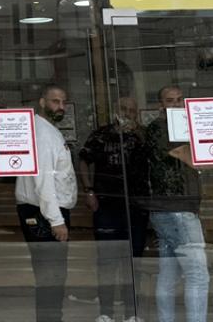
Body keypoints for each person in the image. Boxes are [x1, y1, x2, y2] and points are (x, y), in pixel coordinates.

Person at [142, 86, 213, 322]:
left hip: (170, 209)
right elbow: (193, 159)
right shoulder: (161, 128)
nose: (176, 104)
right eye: (170, 101)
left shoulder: (178, 129)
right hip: (176, 209)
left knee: (169, 275)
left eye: (179, 99)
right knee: (197, 275)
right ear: (160, 105)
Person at [78, 95, 150, 322]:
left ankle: (131, 313)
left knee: (134, 260)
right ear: (115, 110)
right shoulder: (101, 135)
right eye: (123, 109)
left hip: (137, 206)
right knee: (107, 260)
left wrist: (138, 134)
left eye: (131, 110)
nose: (127, 113)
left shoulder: (144, 135)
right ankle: (106, 312)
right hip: (107, 205)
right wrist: (89, 190)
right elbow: (83, 160)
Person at [15, 84, 78, 322]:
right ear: (42, 102)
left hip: (46, 210)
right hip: (44, 212)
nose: (61, 107)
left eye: (63, 102)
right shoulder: (42, 133)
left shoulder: (48, 130)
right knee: (51, 274)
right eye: (55, 101)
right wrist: (56, 220)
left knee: (52, 273)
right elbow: (44, 180)